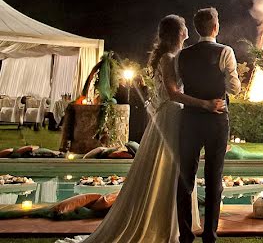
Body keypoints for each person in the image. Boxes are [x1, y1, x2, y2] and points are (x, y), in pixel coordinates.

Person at [56, 15, 221, 243]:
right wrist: (204, 104)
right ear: (177, 33)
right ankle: (162, 223)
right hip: (171, 117)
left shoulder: (177, 56)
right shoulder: (168, 58)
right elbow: (173, 93)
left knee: (177, 172)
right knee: (171, 171)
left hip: (176, 116)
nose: (188, 32)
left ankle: (175, 222)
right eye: (184, 29)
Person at [176, 7, 241, 243]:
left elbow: (180, 86)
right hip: (216, 120)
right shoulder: (225, 52)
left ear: (196, 29)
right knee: (214, 178)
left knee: (185, 178)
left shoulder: (182, 54)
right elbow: (235, 89)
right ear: (215, 27)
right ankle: (209, 236)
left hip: (190, 120)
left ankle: (185, 235)